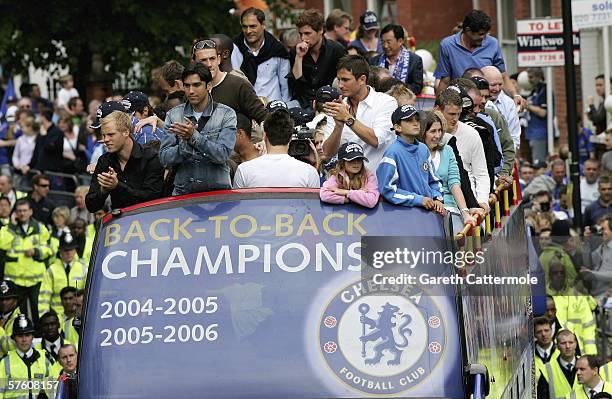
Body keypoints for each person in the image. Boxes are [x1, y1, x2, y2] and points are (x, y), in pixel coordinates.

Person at [160, 62, 237, 195]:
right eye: (187, 85)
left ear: (209, 86)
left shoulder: (226, 113)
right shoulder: (174, 114)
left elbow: (222, 155)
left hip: (218, 193)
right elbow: (164, 158)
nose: (191, 91)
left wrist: (193, 137)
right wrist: (184, 147)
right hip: (184, 193)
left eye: (196, 85)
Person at [322, 55, 397, 169]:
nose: (340, 85)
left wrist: (347, 118)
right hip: (344, 184)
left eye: (346, 80)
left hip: (378, 183)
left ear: (362, 79)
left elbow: (377, 140)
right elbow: (326, 154)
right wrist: (338, 127)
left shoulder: (386, 102)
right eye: (339, 80)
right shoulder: (337, 107)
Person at [435, 9, 520, 105]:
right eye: (481, 34)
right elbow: (445, 81)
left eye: (486, 34)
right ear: (468, 30)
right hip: (461, 102)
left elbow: (503, 76)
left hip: (488, 102)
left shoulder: (493, 44)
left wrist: (515, 95)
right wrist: (438, 105)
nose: (484, 38)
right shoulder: (447, 45)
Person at [86, 111, 164, 212]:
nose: (105, 139)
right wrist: (103, 190)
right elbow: (91, 206)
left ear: (126, 132)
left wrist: (117, 186)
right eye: (104, 135)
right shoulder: (104, 161)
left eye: (110, 134)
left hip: (149, 221)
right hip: (120, 224)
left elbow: (152, 199)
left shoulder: (151, 158)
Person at [377, 105, 444, 211]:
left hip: (429, 214)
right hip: (405, 215)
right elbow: (388, 190)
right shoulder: (392, 153)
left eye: (417, 119)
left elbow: (434, 180)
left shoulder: (423, 148)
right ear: (398, 127)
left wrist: (437, 198)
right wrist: (418, 199)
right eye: (409, 120)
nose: (416, 123)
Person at [233, 109, 320, 188]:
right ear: (290, 138)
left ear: (264, 136)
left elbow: (237, 203)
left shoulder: (244, 170)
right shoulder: (309, 172)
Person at [419, 111, 476, 227]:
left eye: (439, 131)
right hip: (424, 208)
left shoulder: (447, 150)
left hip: (449, 207)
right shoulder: (415, 153)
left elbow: (454, 183)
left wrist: (465, 212)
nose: (437, 135)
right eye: (433, 131)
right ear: (422, 133)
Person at [0, 198, 52, 325]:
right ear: (15, 213)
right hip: (15, 280)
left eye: (24, 210)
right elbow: (2, 244)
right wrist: (12, 226)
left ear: (30, 212)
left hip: (36, 279)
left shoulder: (40, 228)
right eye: (19, 211)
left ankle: (40, 336)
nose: (22, 213)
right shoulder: (7, 229)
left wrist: (36, 251)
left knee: (38, 310)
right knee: (17, 313)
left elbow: (49, 249)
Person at [193, 39, 267, 125]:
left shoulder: (239, 85)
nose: (209, 64)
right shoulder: (191, 89)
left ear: (219, 59)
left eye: (212, 59)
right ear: (194, 63)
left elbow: (264, 117)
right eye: (203, 60)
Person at [437, 89, 490, 210]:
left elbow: (481, 173)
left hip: (470, 200)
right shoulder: (426, 134)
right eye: (451, 114)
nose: (455, 119)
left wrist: (482, 200)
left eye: (458, 114)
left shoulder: (472, 134)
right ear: (437, 110)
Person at [288, 8, 346, 108]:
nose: (303, 38)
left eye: (307, 33)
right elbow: (296, 86)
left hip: (330, 103)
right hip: (303, 104)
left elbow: (344, 80)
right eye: (300, 33)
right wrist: (299, 57)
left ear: (320, 30)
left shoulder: (336, 50)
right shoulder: (296, 51)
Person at [232, 7, 290, 102]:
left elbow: (285, 85)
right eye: (244, 26)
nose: (248, 31)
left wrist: (284, 109)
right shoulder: (234, 48)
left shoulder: (277, 49)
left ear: (263, 25)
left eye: (252, 26)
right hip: (244, 107)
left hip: (273, 107)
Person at [547, 260, 598, 356]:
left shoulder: (578, 297)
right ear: (549, 275)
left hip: (577, 351)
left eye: (562, 273)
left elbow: (588, 327)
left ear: (565, 275)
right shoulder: (544, 297)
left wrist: (590, 353)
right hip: (551, 351)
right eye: (555, 273)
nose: (559, 275)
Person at [0, 315, 52, 398]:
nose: (24, 339)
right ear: (14, 338)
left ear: (32, 337)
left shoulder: (45, 359)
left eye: (27, 335)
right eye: (20, 336)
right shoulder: (5, 362)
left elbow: (54, 391)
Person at [39, 232, 87, 320]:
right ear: (60, 250)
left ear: (75, 250)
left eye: (71, 249)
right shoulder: (51, 270)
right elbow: (44, 297)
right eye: (66, 250)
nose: (69, 253)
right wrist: (44, 319)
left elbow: (86, 295)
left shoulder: (83, 269)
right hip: (57, 317)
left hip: (78, 315)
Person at [320, 142, 379, 208]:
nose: (356, 162)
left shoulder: (369, 176)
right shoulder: (336, 176)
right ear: (342, 162)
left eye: (359, 159)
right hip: (342, 215)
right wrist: (353, 198)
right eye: (351, 159)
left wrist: (346, 192)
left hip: (366, 216)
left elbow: (371, 201)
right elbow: (325, 195)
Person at [369, 24, 423, 95]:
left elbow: (417, 87)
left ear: (400, 41)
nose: (385, 46)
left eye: (389, 42)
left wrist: (395, 86)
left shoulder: (414, 61)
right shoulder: (374, 61)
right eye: (382, 42)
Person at [482, 65, 521, 149]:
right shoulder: (476, 102)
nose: (497, 88)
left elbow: (514, 138)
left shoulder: (508, 103)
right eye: (493, 85)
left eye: (500, 84)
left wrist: (507, 159)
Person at [538, 330, 578, 399]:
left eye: (571, 342)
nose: (567, 346)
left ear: (576, 344)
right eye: (563, 343)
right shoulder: (547, 371)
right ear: (557, 346)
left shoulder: (588, 365)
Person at [524, 67, 549, 163]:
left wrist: (527, 105)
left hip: (540, 132)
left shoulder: (543, 90)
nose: (529, 80)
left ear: (538, 77)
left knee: (539, 162)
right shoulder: (533, 90)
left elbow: (543, 112)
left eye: (531, 77)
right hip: (532, 132)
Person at [0, 280, 23, 357]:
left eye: (7, 299)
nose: (4, 302)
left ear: (15, 301)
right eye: (1, 299)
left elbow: (11, 349)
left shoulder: (20, 321)